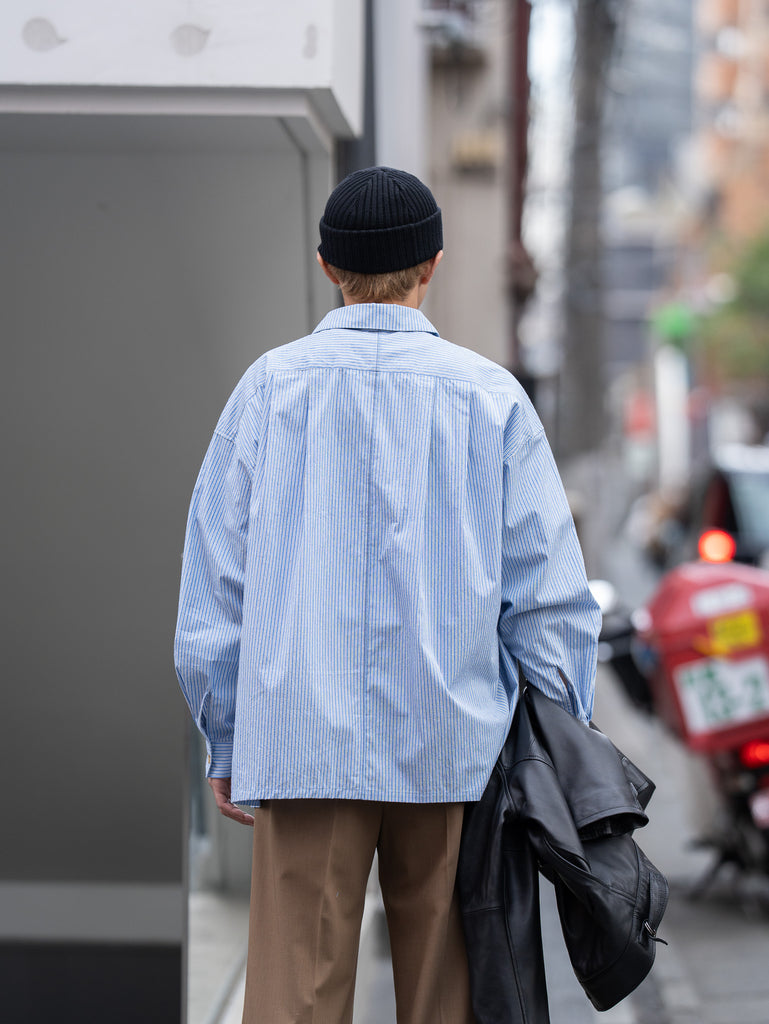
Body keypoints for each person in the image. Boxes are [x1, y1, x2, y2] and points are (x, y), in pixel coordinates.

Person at [174, 166, 600, 1024]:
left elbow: (216, 585)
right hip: (457, 747)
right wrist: (556, 741)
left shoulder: (268, 389)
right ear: (432, 264)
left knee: (293, 998)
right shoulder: (490, 400)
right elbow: (550, 601)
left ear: (327, 263)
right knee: (452, 997)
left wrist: (224, 732)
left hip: (299, 744)